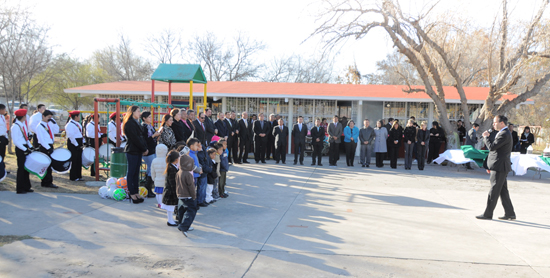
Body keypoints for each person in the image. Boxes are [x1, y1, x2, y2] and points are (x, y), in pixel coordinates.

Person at [476, 115, 516, 221]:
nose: (493, 124)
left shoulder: (504, 133)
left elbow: (492, 147)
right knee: (503, 191)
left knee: (494, 191)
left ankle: (487, 214)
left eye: (495, 122)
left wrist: (485, 137)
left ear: (501, 123)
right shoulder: (503, 133)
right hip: (498, 165)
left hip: (499, 166)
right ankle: (510, 213)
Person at [123, 106, 148, 204]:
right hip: (132, 150)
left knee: (136, 173)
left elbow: (141, 137)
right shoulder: (129, 123)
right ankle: (132, 193)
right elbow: (135, 138)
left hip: (137, 150)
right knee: (131, 172)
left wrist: (144, 148)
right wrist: (143, 148)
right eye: (138, 111)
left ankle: (136, 192)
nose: (140, 113)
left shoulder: (136, 122)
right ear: (133, 112)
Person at [35, 110, 59, 189]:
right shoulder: (39, 126)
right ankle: (45, 182)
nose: (49, 119)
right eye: (48, 117)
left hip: (50, 145)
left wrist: (54, 122)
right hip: (44, 147)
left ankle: (49, 182)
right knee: (46, 165)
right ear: (43, 116)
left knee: (50, 165)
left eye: (51, 117)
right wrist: (48, 148)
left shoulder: (49, 124)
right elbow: (41, 140)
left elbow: (56, 130)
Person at [176, 154, 198, 237]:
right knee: (191, 211)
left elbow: (177, 184)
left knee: (182, 210)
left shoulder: (179, 172)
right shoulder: (188, 174)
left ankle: (181, 223)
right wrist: (194, 196)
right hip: (188, 196)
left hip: (180, 195)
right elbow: (191, 187)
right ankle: (184, 226)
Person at [12, 109, 33, 194]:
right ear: (23, 117)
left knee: (26, 168)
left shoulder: (21, 125)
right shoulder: (15, 126)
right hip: (20, 148)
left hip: (24, 147)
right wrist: (25, 149)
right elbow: (16, 141)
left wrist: (30, 147)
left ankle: (26, 186)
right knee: (21, 168)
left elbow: (26, 138)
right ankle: (20, 188)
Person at [141, 111, 160, 198]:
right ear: (144, 118)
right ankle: (147, 188)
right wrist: (153, 136)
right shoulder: (143, 127)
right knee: (152, 168)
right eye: (148, 117)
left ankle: (148, 188)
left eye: (150, 117)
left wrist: (157, 135)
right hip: (147, 151)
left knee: (152, 168)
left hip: (153, 149)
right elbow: (144, 140)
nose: (151, 118)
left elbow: (152, 137)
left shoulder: (150, 126)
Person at [162, 150, 180, 226]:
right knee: (170, 208)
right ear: (176, 160)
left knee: (171, 207)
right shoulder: (171, 169)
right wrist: (175, 192)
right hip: (171, 192)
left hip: (170, 191)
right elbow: (172, 182)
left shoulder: (172, 167)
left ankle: (171, 220)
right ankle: (170, 221)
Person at [65, 111, 84, 181]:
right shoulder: (70, 125)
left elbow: (80, 133)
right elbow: (71, 136)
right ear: (75, 117)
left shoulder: (77, 124)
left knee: (79, 160)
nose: (79, 117)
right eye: (78, 116)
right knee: (74, 160)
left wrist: (83, 142)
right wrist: (76, 145)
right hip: (73, 143)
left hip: (78, 142)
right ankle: (73, 176)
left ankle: (78, 175)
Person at [151, 144, 168, 208]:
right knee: (163, 192)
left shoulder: (154, 160)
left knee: (158, 193)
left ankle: (159, 203)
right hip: (164, 179)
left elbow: (152, 171)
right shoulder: (166, 160)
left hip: (157, 179)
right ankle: (162, 203)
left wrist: (153, 178)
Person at [197, 141, 212, 207]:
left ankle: (203, 200)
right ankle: (200, 201)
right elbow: (202, 163)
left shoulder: (203, 150)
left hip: (205, 172)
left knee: (204, 187)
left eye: (200, 144)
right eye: (198, 145)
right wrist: (208, 169)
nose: (200, 146)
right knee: (201, 187)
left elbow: (207, 159)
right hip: (202, 172)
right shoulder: (199, 154)